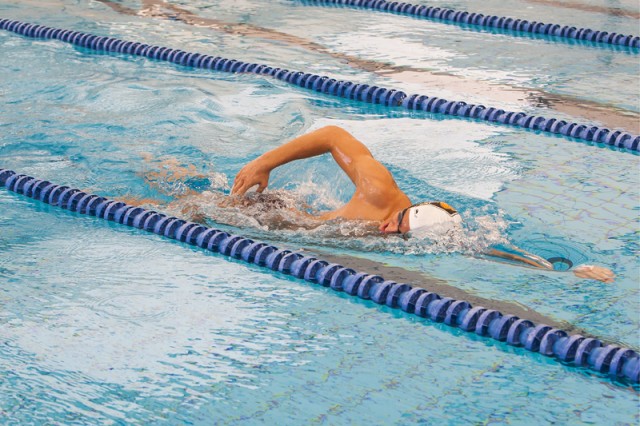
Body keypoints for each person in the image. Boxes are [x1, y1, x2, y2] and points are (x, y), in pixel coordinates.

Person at [231, 125, 615, 283]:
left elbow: (489, 250)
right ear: (402, 209)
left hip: (304, 221)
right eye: (395, 221)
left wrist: (566, 271)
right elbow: (333, 135)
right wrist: (264, 163)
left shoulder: (442, 236)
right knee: (201, 209)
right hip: (272, 210)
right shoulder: (379, 193)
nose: (387, 228)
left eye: (399, 234)